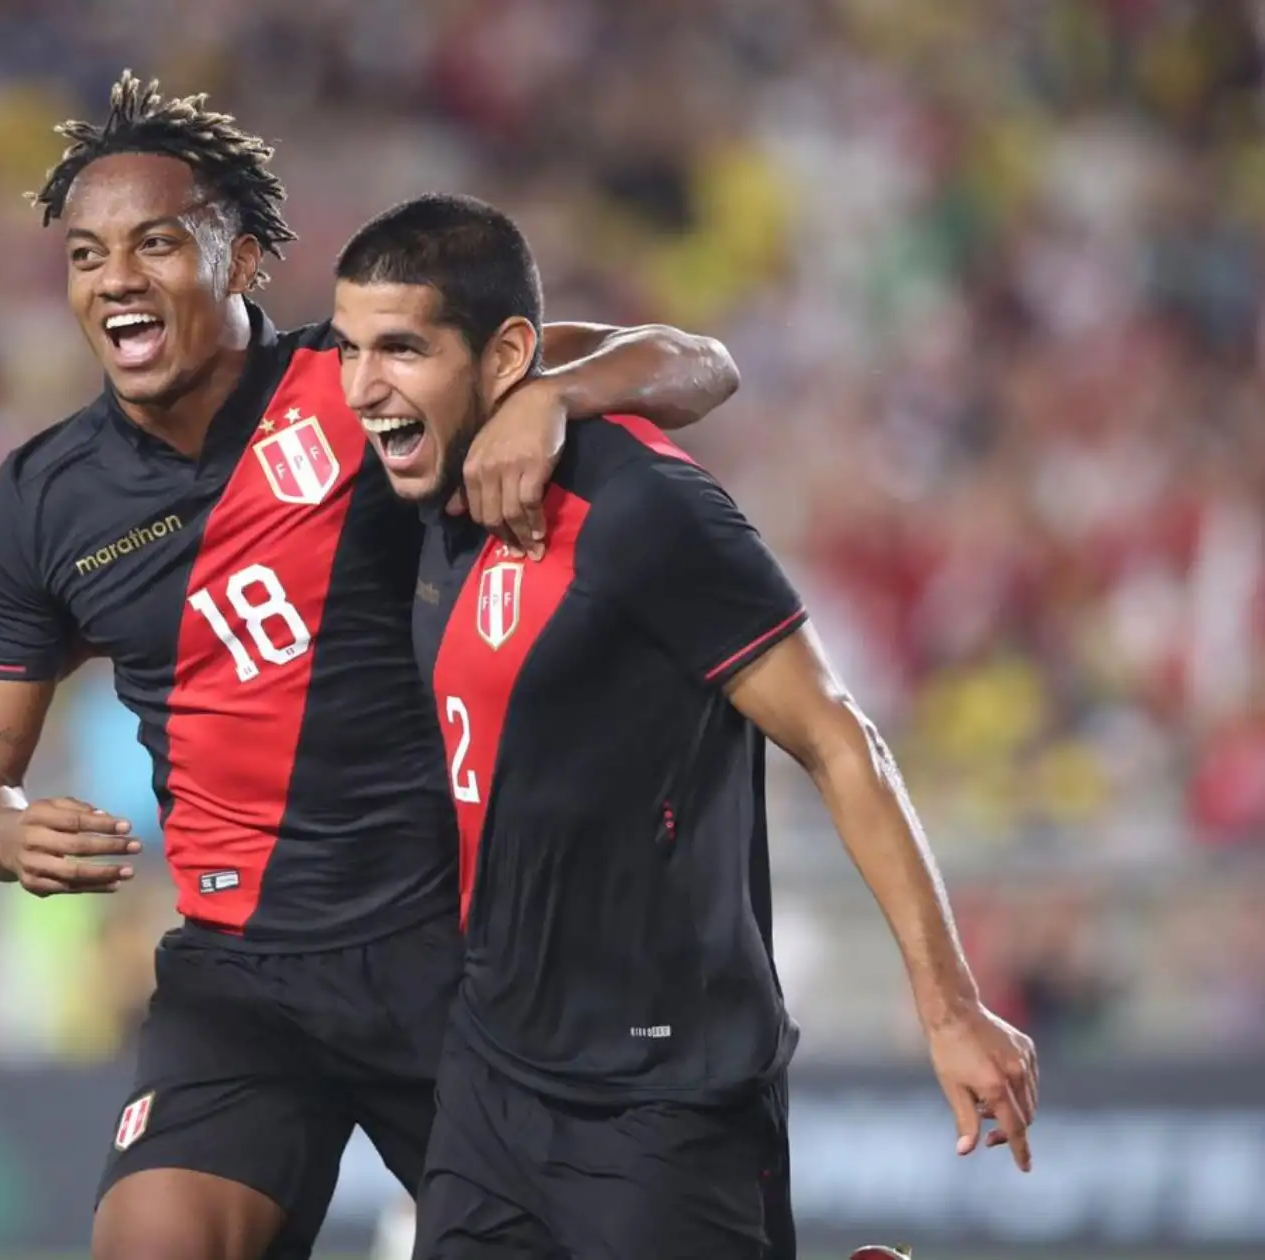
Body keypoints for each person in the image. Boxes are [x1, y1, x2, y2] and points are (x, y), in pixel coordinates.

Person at [0, 72, 740, 1260]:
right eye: (86, 254)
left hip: (459, 960)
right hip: (240, 980)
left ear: (248, 258)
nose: (115, 278)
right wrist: (4, 834)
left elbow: (696, 361)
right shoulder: (41, 502)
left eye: (158, 243)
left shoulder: (365, 384)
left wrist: (550, 400)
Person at [331, 194, 1040, 1259]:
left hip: (662, 1095)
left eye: (398, 349)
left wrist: (948, 1009)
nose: (361, 385)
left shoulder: (644, 512)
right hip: (491, 1080)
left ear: (507, 355)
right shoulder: (428, 479)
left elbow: (841, 740)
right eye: (348, 350)